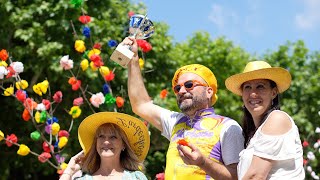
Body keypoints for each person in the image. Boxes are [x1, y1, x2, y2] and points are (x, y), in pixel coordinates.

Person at [123, 37, 244, 179]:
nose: (181, 91)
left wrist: (203, 163)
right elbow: (140, 104)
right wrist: (134, 60)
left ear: (209, 91)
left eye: (189, 85)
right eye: (177, 88)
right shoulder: (175, 121)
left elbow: (238, 176)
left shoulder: (228, 126)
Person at [224, 60, 305, 179]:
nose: (253, 93)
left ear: (274, 92)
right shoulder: (255, 135)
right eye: (247, 87)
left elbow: (256, 176)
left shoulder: (277, 118)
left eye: (260, 86)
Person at [60, 112, 150, 180]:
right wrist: (69, 171)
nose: (106, 142)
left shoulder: (136, 178)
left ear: (123, 145)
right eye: (101, 136)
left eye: (113, 137)